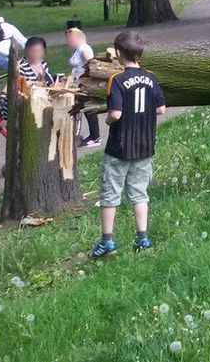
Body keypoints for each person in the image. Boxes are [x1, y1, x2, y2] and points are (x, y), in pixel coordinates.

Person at [90, 31, 166, 258]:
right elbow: (161, 109)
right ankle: (143, 238)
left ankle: (107, 243)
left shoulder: (117, 79)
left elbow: (115, 112)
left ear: (119, 53)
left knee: (110, 193)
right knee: (140, 193)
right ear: (139, 53)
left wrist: (107, 119)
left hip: (120, 147)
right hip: (144, 145)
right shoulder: (152, 77)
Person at [67, 27, 102, 148]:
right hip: (77, 83)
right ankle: (87, 134)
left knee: (88, 109)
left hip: (85, 84)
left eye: (70, 38)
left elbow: (91, 64)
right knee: (82, 108)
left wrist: (85, 77)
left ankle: (95, 136)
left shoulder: (84, 49)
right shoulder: (77, 49)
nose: (68, 41)